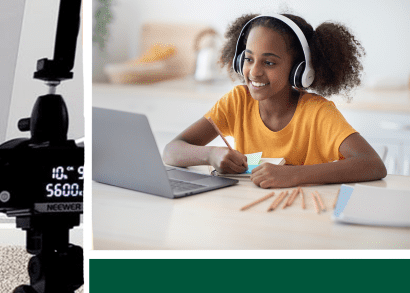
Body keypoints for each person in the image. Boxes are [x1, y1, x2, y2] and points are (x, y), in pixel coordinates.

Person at [163, 13, 386, 189]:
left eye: (269, 63)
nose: (254, 72)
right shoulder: (237, 102)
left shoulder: (317, 113)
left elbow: (372, 164)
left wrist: (294, 175)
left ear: (299, 70)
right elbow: (172, 150)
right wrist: (210, 155)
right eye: (249, 59)